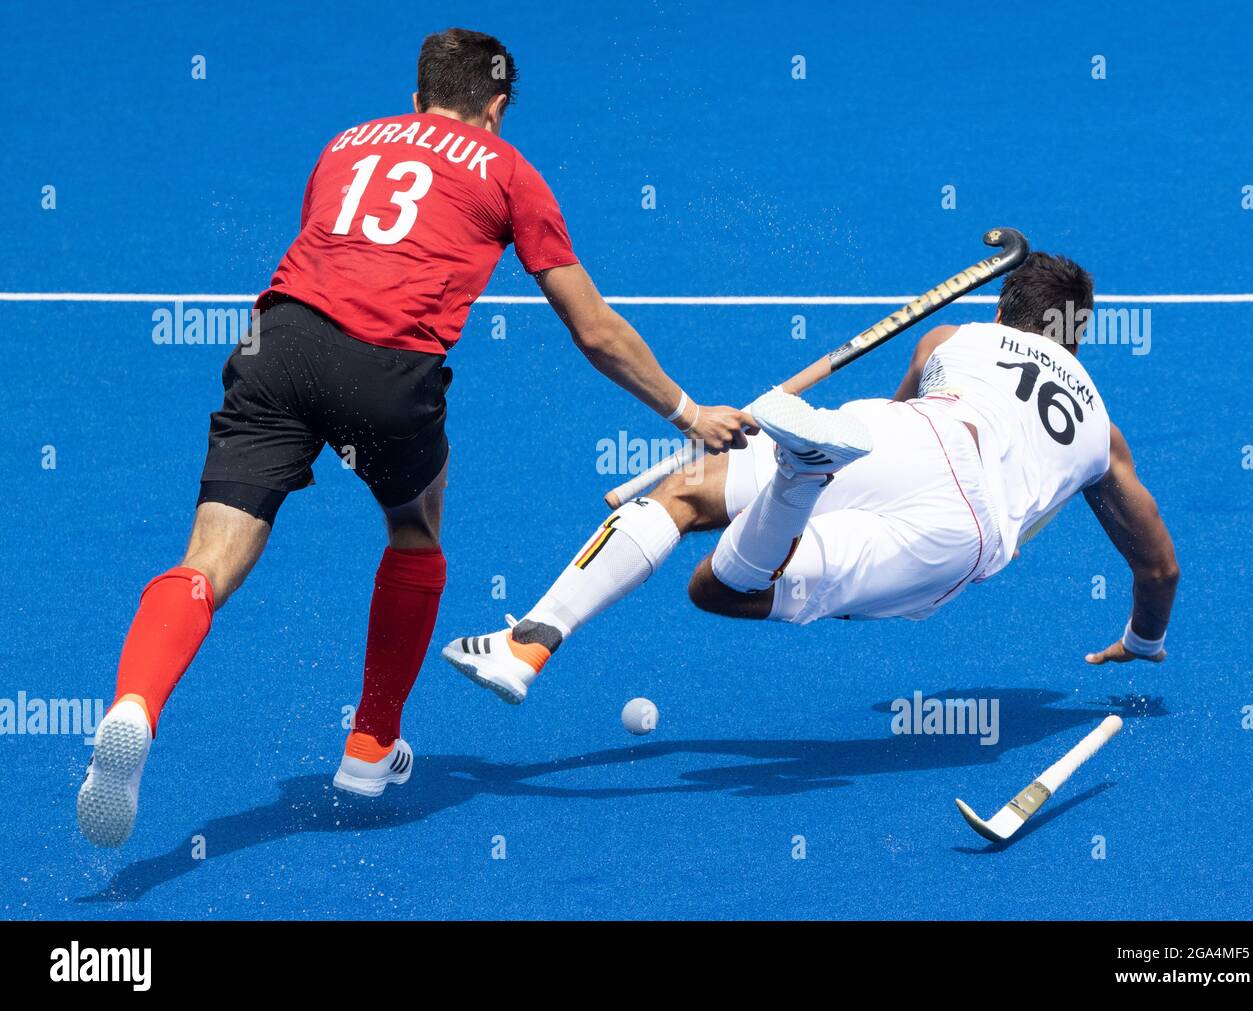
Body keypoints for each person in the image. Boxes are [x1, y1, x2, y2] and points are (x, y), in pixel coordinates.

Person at [77, 27, 752, 848]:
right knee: (415, 526)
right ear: (496, 107)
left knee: (205, 562)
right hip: (388, 373)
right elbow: (595, 329)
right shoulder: (509, 171)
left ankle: (137, 703)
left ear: (418, 93)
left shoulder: (344, 144)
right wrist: (690, 414)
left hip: (276, 342)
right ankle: (370, 743)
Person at [444, 253, 1180, 703]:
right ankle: (801, 477)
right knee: (719, 589)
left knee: (681, 491)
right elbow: (1158, 565)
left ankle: (530, 641)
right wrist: (1143, 643)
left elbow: (888, 429)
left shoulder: (954, 337)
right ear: (1077, 335)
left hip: (908, 434)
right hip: (965, 529)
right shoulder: (1100, 432)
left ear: (1002, 308)